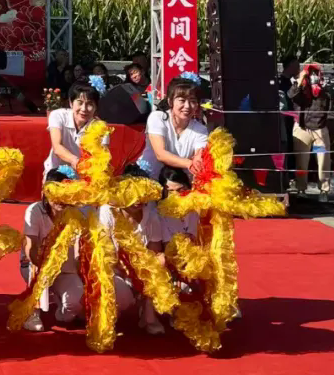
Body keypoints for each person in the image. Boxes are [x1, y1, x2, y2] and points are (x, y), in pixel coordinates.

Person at [98, 164, 164, 335]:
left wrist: (141, 273)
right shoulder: (107, 212)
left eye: (142, 193)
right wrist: (128, 271)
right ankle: (106, 316)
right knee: (122, 296)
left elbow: (154, 251)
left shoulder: (152, 216)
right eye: (132, 193)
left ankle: (149, 315)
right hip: (114, 270)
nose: (138, 200)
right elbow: (106, 254)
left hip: (140, 268)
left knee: (161, 261)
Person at [19, 169, 75, 332]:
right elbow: (30, 247)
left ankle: (60, 306)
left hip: (64, 269)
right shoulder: (34, 211)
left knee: (75, 307)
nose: (60, 199)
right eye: (56, 193)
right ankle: (32, 312)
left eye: (65, 193)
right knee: (37, 270)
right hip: (36, 264)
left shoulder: (74, 213)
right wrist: (45, 267)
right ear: (46, 192)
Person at [137, 76, 210, 179]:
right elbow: (160, 154)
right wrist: (189, 163)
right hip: (150, 179)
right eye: (182, 100)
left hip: (180, 183)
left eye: (193, 101)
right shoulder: (157, 118)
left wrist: (198, 161)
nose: (187, 106)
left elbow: (199, 154)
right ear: (170, 101)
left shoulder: (201, 129)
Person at [42, 81, 106, 180]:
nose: (84, 109)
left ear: (95, 107)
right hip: (56, 175)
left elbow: (102, 158)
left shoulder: (101, 128)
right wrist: (76, 161)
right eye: (80, 103)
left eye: (90, 104)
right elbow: (57, 147)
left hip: (83, 179)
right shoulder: (58, 115)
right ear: (71, 103)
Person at [289, 65, 334, 196]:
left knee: (323, 161)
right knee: (301, 162)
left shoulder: (325, 92)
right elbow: (291, 94)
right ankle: (301, 189)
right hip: (302, 130)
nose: (313, 76)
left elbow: (329, 111)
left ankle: (324, 190)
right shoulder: (300, 90)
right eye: (311, 73)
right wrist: (300, 79)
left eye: (316, 73)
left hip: (319, 131)